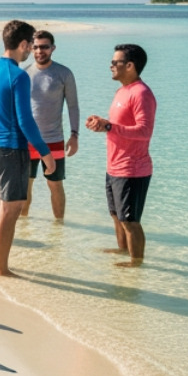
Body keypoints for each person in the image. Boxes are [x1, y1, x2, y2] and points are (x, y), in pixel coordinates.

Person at [0, 20, 56, 276]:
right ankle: (1, 268)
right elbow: (25, 121)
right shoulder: (19, 76)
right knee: (10, 210)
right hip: (10, 149)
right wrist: (46, 153)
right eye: (30, 46)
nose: (31, 52)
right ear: (22, 44)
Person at [85, 44, 156, 268]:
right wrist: (102, 124)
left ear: (130, 65)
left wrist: (109, 127)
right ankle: (123, 250)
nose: (111, 65)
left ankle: (137, 265)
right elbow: (117, 126)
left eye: (115, 62)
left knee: (130, 221)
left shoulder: (141, 93)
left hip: (133, 168)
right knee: (116, 215)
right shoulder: (121, 91)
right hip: (114, 166)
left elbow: (144, 131)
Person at [19, 30, 80, 221]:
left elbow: (73, 105)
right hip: (27, 140)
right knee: (24, 186)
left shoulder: (64, 73)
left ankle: (59, 229)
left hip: (54, 140)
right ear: (30, 48)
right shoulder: (24, 73)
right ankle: (24, 227)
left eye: (44, 47)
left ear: (53, 48)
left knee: (55, 185)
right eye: (35, 47)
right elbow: (16, 109)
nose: (39, 51)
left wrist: (74, 135)